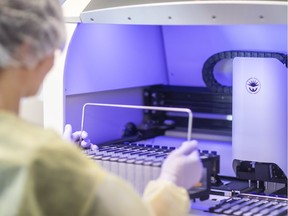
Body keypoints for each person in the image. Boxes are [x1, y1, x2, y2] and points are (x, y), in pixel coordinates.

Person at [0, 0, 203, 215]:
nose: (51, 62)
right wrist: (172, 183)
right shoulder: (42, 159)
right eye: (54, 49)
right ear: (26, 50)